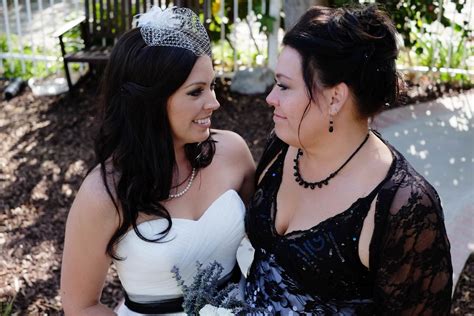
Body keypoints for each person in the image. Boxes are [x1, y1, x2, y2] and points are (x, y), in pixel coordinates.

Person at [244, 5, 452, 315]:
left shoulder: (403, 206)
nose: (270, 98)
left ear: (335, 98)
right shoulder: (283, 147)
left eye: (284, 86)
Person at [60, 6, 255, 315]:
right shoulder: (104, 193)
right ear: (149, 102)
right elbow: (79, 305)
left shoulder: (232, 152)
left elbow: (271, 242)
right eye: (196, 92)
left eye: (212, 85)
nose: (214, 103)